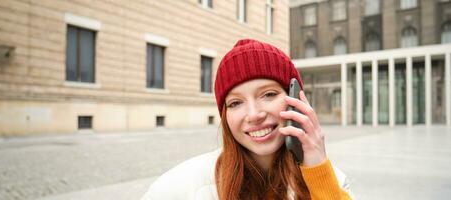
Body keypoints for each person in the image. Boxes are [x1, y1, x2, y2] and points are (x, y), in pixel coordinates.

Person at [142, 39, 352, 200]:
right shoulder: (180, 187)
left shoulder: (330, 180)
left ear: (296, 97)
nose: (253, 114)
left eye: (268, 94)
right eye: (235, 103)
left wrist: (317, 169)